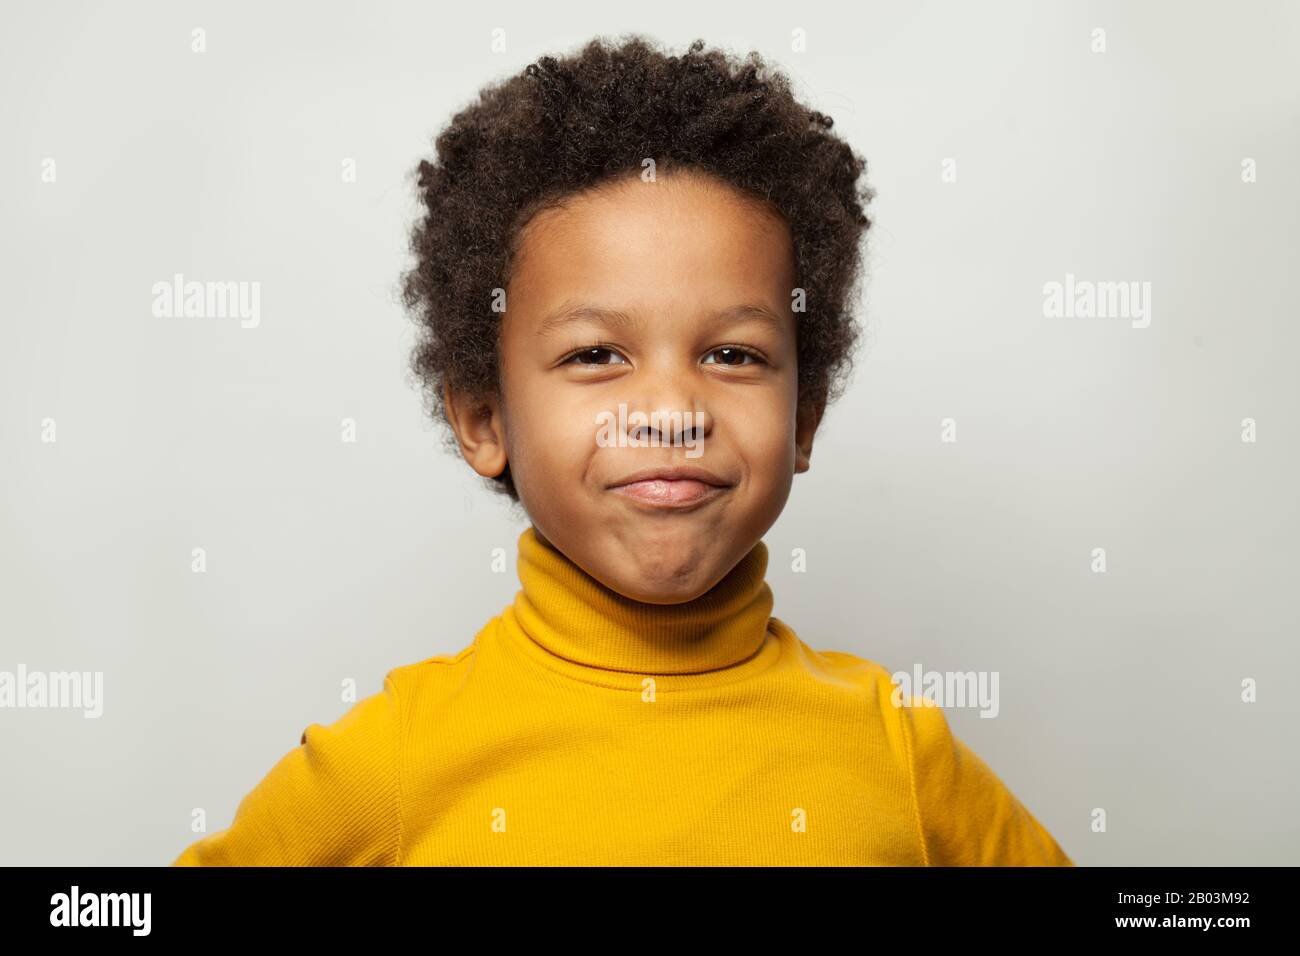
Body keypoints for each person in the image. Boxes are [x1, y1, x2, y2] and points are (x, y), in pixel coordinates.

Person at [172, 34, 1072, 866]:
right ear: (484, 419)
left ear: (803, 419)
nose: (672, 413)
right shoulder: (394, 762)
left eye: (734, 355)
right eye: (596, 355)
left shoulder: (897, 750)